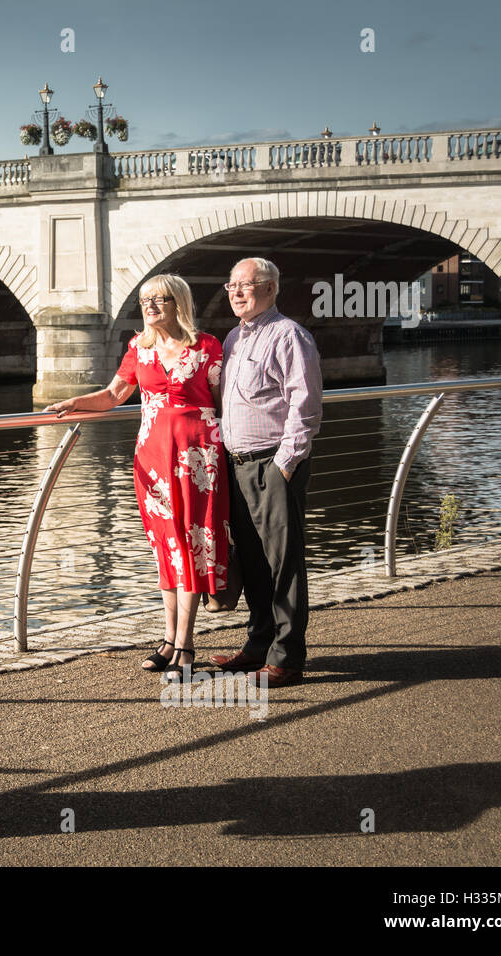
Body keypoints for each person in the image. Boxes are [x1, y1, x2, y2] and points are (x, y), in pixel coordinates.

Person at [45, 274, 229, 681]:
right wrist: (75, 402)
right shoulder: (138, 348)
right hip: (152, 459)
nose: (150, 306)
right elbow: (113, 396)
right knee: (165, 546)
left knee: (192, 545)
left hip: (199, 458)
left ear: (178, 302)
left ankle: (185, 644)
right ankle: (168, 639)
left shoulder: (206, 346)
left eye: (160, 299)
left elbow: (221, 401)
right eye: (145, 300)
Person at [210, 257, 322, 688]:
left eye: (247, 285)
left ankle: (287, 658)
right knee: (253, 562)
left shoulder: (290, 336)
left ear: (271, 288)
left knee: (283, 564)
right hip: (237, 465)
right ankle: (257, 646)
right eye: (232, 285)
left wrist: (286, 463)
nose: (237, 292)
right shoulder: (234, 337)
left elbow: (305, 404)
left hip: (273, 463)